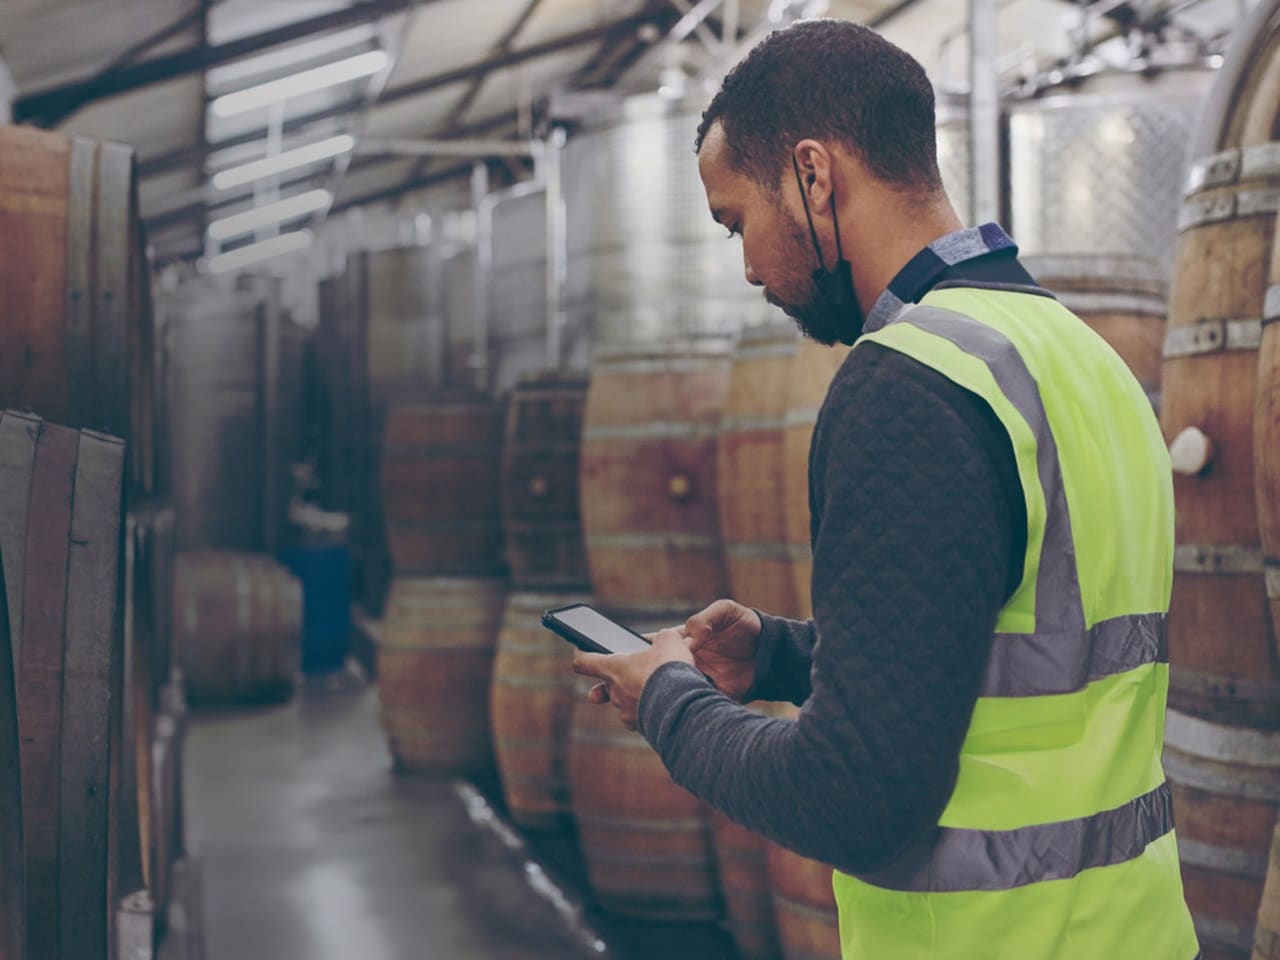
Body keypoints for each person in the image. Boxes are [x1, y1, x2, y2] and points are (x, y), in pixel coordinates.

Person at [571, 18, 1200, 960]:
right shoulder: (1082, 359)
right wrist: (781, 658)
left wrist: (666, 697)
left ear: (814, 176)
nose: (746, 267)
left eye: (738, 221)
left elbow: (851, 796)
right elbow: (1028, 651)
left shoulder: (908, 381)